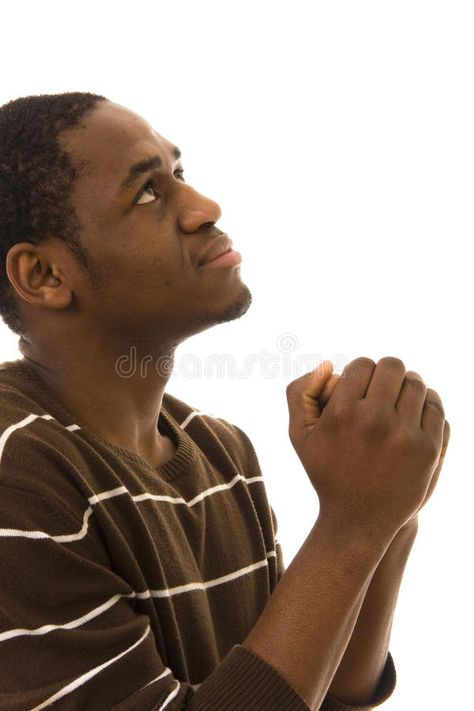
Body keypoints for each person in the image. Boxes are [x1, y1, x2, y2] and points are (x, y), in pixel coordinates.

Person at [0, 92, 449, 710]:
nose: (204, 207)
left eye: (178, 173)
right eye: (148, 193)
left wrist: (390, 509)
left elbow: (321, 691)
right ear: (46, 277)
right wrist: (352, 525)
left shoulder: (220, 451)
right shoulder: (16, 469)